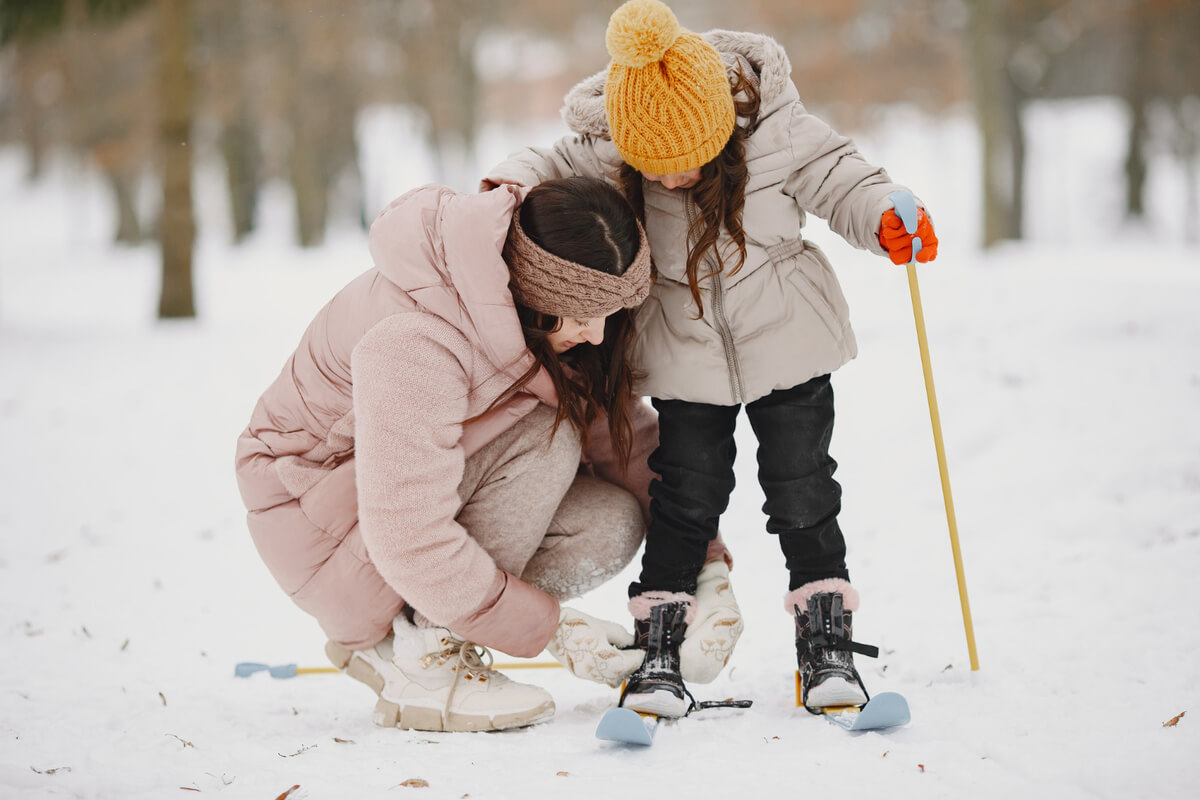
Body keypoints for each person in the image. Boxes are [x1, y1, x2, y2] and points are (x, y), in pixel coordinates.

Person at [484, 0, 940, 717]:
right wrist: (501, 190)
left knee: (803, 487)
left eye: (686, 161)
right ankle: (660, 647)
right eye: (654, 168)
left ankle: (826, 645)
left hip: (788, 338)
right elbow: (544, 163)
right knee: (684, 497)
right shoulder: (611, 146)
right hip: (682, 356)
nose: (672, 179)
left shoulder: (776, 130)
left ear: (720, 129)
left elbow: (842, 175)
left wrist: (883, 210)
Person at [234, 176, 661, 733]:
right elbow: (407, 533)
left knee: (609, 524)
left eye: (608, 313)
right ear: (533, 289)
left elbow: (619, 436)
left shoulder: (522, 313)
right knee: (547, 432)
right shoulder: (417, 340)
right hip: (322, 523)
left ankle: (424, 628)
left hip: (392, 513)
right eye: (580, 314)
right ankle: (426, 657)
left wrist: (700, 564)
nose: (598, 335)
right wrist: (551, 626)